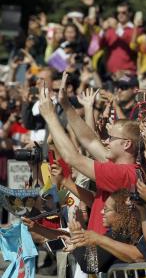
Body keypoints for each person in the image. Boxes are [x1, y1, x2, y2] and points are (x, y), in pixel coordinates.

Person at [38, 72, 138, 235]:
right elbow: (90, 140)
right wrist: (66, 105)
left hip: (108, 252)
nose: (106, 140)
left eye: (111, 137)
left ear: (127, 144)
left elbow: (72, 157)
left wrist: (50, 116)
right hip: (96, 246)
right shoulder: (118, 167)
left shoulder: (125, 173)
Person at [69, 189, 145, 273]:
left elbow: (90, 265)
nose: (101, 212)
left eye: (106, 209)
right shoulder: (125, 232)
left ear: (121, 213)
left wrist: (76, 239)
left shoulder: (118, 235)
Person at [100, 2, 137, 74]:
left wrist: (116, 27)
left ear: (130, 14)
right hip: (111, 73)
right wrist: (103, 30)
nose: (120, 15)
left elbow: (131, 42)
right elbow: (100, 45)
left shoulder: (134, 29)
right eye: (118, 12)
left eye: (123, 12)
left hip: (127, 72)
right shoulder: (111, 30)